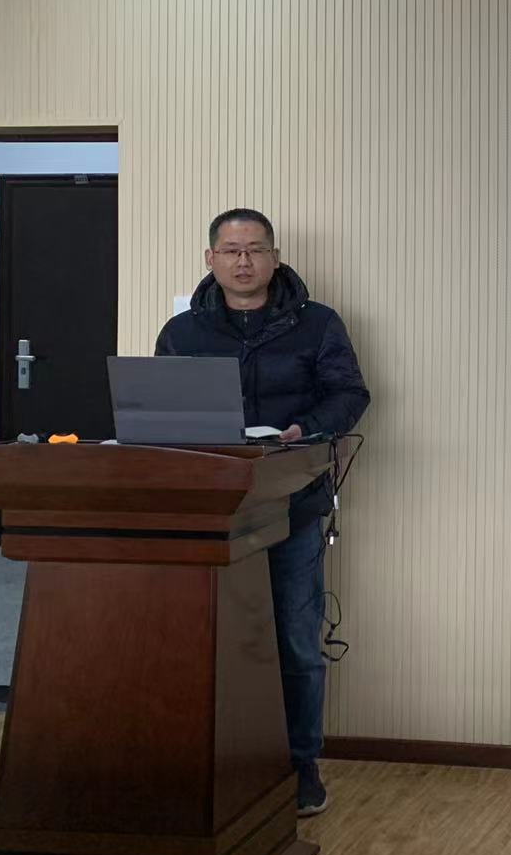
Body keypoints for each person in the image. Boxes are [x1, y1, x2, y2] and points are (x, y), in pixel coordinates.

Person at [155, 208, 370, 817]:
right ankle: (215, 764)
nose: (243, 261)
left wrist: (307, 429)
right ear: (211, 259)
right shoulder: (182, 333)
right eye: (231, 250)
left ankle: (301, 767)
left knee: (296, 642)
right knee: (212, 642)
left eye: (255, 249)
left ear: (275, 258)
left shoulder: (318, 323)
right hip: (209, 511)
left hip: (291, 503)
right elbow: (159, 409)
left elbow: (351, 394)